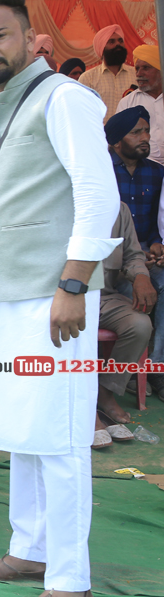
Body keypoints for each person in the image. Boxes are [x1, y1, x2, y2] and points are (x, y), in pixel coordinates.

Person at [0, 0, 118, 597]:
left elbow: (98, 194)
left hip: (55, 299)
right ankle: (29, 549)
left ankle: (71, 583)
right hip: (9, 296)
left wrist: (74, 285)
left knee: (61, 438)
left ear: (30, 37)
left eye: (0, 36)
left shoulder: (64, 98)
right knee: (22, 431)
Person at [104, 106, 164, 402]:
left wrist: (156, 244)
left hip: (143, 258)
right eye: (136, 132)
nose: (145, 137)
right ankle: (126, 374)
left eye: (146, 130)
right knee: (135, 292)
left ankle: (156, 366)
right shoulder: (100, 170)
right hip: (109, 263)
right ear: (116, 141)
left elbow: (156, 222)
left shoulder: (156, 172)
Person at [95, 202, 154, 445]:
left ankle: (105, 392)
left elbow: (132, 254)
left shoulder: (118, 209)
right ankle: (82, 405)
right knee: (74, 330)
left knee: (139, 324)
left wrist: (141, 276)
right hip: (60, 298)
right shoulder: (58, 200)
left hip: (103, 296)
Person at [115, 45, 163, 163]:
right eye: (137, 69)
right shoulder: (128, 102)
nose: (139, 74)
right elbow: (119, 139)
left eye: (146, 68)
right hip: (143, 165)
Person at [78, 25, 135, 120]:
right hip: (100, 129)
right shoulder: (88, 78)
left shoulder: (136, 74)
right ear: (102, 48)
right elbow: (82, 111)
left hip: (132, 129)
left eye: (120, 41)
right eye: (112, 42)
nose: (118, 44)